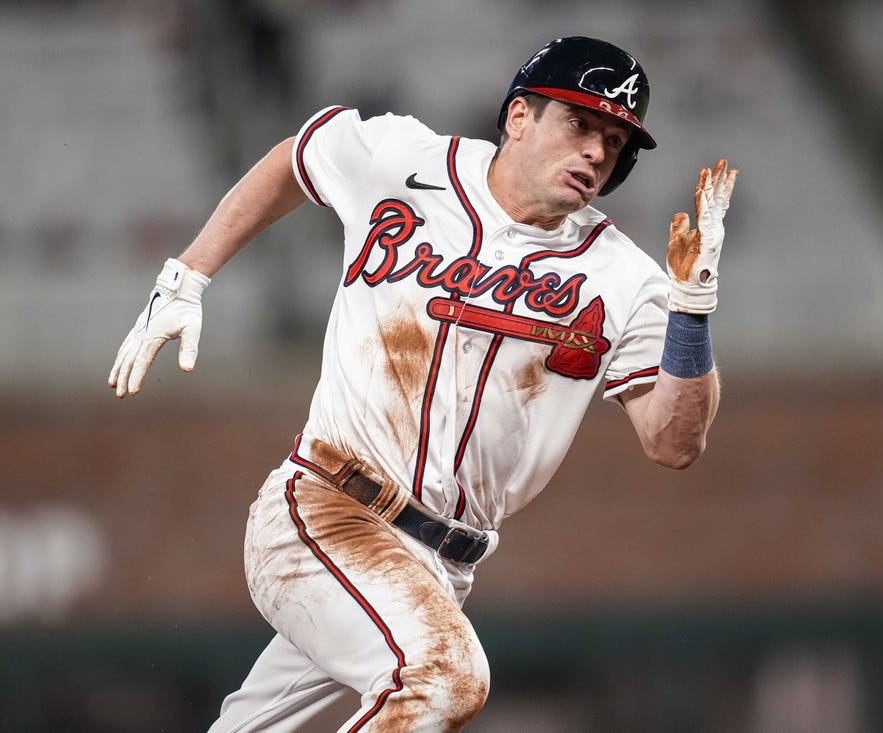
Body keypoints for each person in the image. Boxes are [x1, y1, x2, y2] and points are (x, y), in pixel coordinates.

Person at [108, 35, 736, 732]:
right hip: (327, 505)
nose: (596, 150)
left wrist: (693, 306)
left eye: (615, 141)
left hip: (440, 563)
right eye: (580, 123)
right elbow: (296, 158)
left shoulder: (627, 277)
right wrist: (189, 273)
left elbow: (674, 440)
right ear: (519, 116)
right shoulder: (405, 161)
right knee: (440, 675)